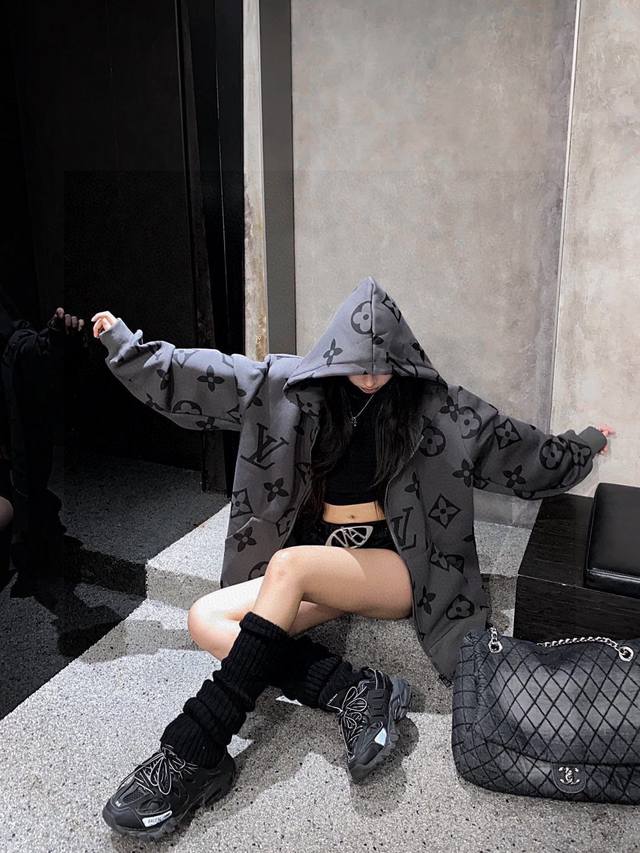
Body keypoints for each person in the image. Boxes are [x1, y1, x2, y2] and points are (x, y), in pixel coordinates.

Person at [93, 276, 613, 840]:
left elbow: (521, 451)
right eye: (358, 366)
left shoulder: (437, 408)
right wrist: (126, 346)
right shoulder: (286, 387)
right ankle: (353, 689)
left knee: (289, 567)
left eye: (383, 366)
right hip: (323, 564)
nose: (369, 378)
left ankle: (195, 749)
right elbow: (200, 374)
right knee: (205, 617)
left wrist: (583, 443)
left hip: (395, 567)